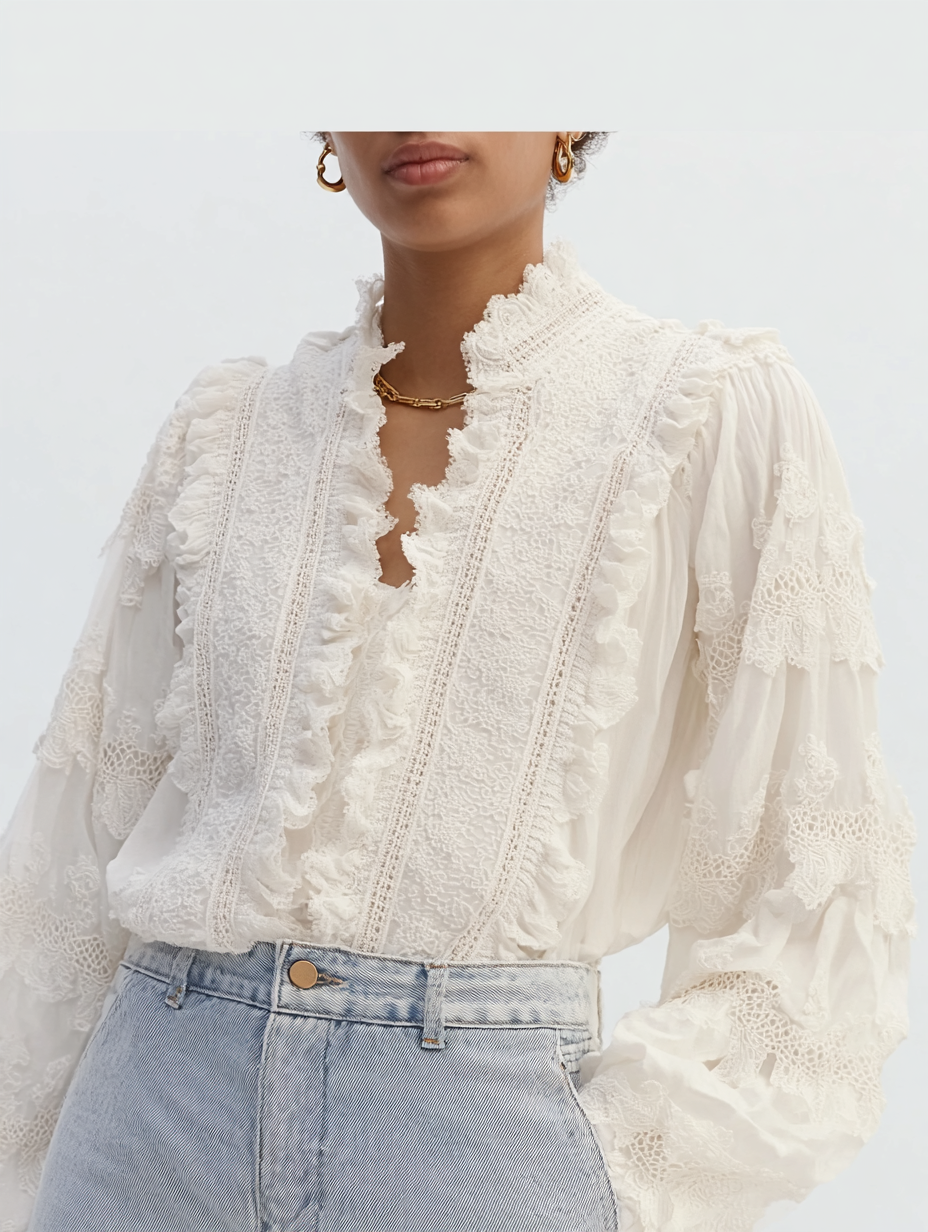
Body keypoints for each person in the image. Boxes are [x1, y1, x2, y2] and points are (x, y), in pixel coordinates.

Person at [0, 132, 914, 1232]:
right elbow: (72, 855)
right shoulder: (225, 431)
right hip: (149, 1123)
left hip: (486, 1144)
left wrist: (608, 1179)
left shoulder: (710, 413)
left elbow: (819, 873)